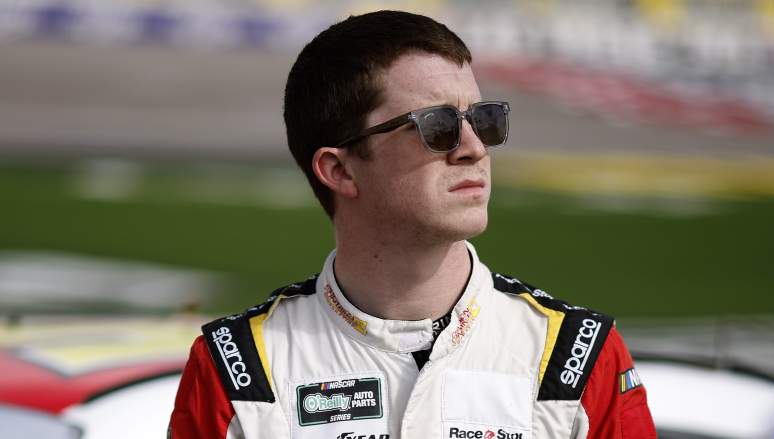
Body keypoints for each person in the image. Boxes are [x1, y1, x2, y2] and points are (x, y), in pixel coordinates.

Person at [168, 10, 655, 439]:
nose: (474, 148)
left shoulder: (577, 357)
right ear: (339, 170)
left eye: (483, 120)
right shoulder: (238, 369)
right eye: (437, 126)